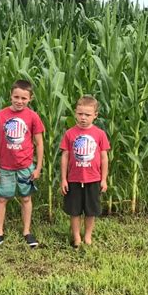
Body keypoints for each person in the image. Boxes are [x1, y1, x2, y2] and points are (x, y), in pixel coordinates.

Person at [0, 80, 44, 247]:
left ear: (30, 98)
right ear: (10, 96)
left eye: (24, 98)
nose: (19, 101)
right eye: (16, 97)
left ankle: (27, 232)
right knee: (2, 199)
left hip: (26, 166)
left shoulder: (33, 117)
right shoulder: (2, 115)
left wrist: (38, 167)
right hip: (5, 167)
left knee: (26, 198)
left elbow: (39, 143)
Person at [60, 95, 110, 247]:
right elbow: (65, 156)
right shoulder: (70, 133)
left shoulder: (99, 134)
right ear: (75, 113)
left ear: (95, 115)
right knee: (74, 211)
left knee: (90, 211)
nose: (83, 118)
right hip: (74, 179)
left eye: (87, 115)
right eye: (80, 114)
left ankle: (88, 236)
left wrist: (103, 178)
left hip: (93, 179)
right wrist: (63, 179)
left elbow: (104, 158)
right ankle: (76, 238)